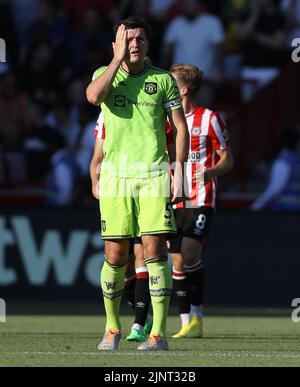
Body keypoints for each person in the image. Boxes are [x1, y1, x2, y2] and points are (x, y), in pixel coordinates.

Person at [87, 17, 189, 351]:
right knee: (115, 255)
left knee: (155, 250)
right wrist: (115, 59)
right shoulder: (105, 75)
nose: (134, 44)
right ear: (117, 45)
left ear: (148, 44)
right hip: (116, 178)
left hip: (154, 175)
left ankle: (158, 333)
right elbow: (92, 97)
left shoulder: (162, 80)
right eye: (128, 39)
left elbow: (180, 127)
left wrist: (179, 168)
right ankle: (112, 329)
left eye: (140, 39)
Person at [167, 64, 233, 338]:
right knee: (177, 262)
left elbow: (228, 160)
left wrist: (208, 172)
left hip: (202, 197)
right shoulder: (167, 120)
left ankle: (197, 314)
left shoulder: (209, 119)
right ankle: (187, 323)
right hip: (175, 198)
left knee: (191, 253)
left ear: (182, 89)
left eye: (171, 83)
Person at [251, 127, 300, 211]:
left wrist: (256, 206)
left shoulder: (283, 162)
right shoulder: (296, 161)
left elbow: (275, 189)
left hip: (283, 211)